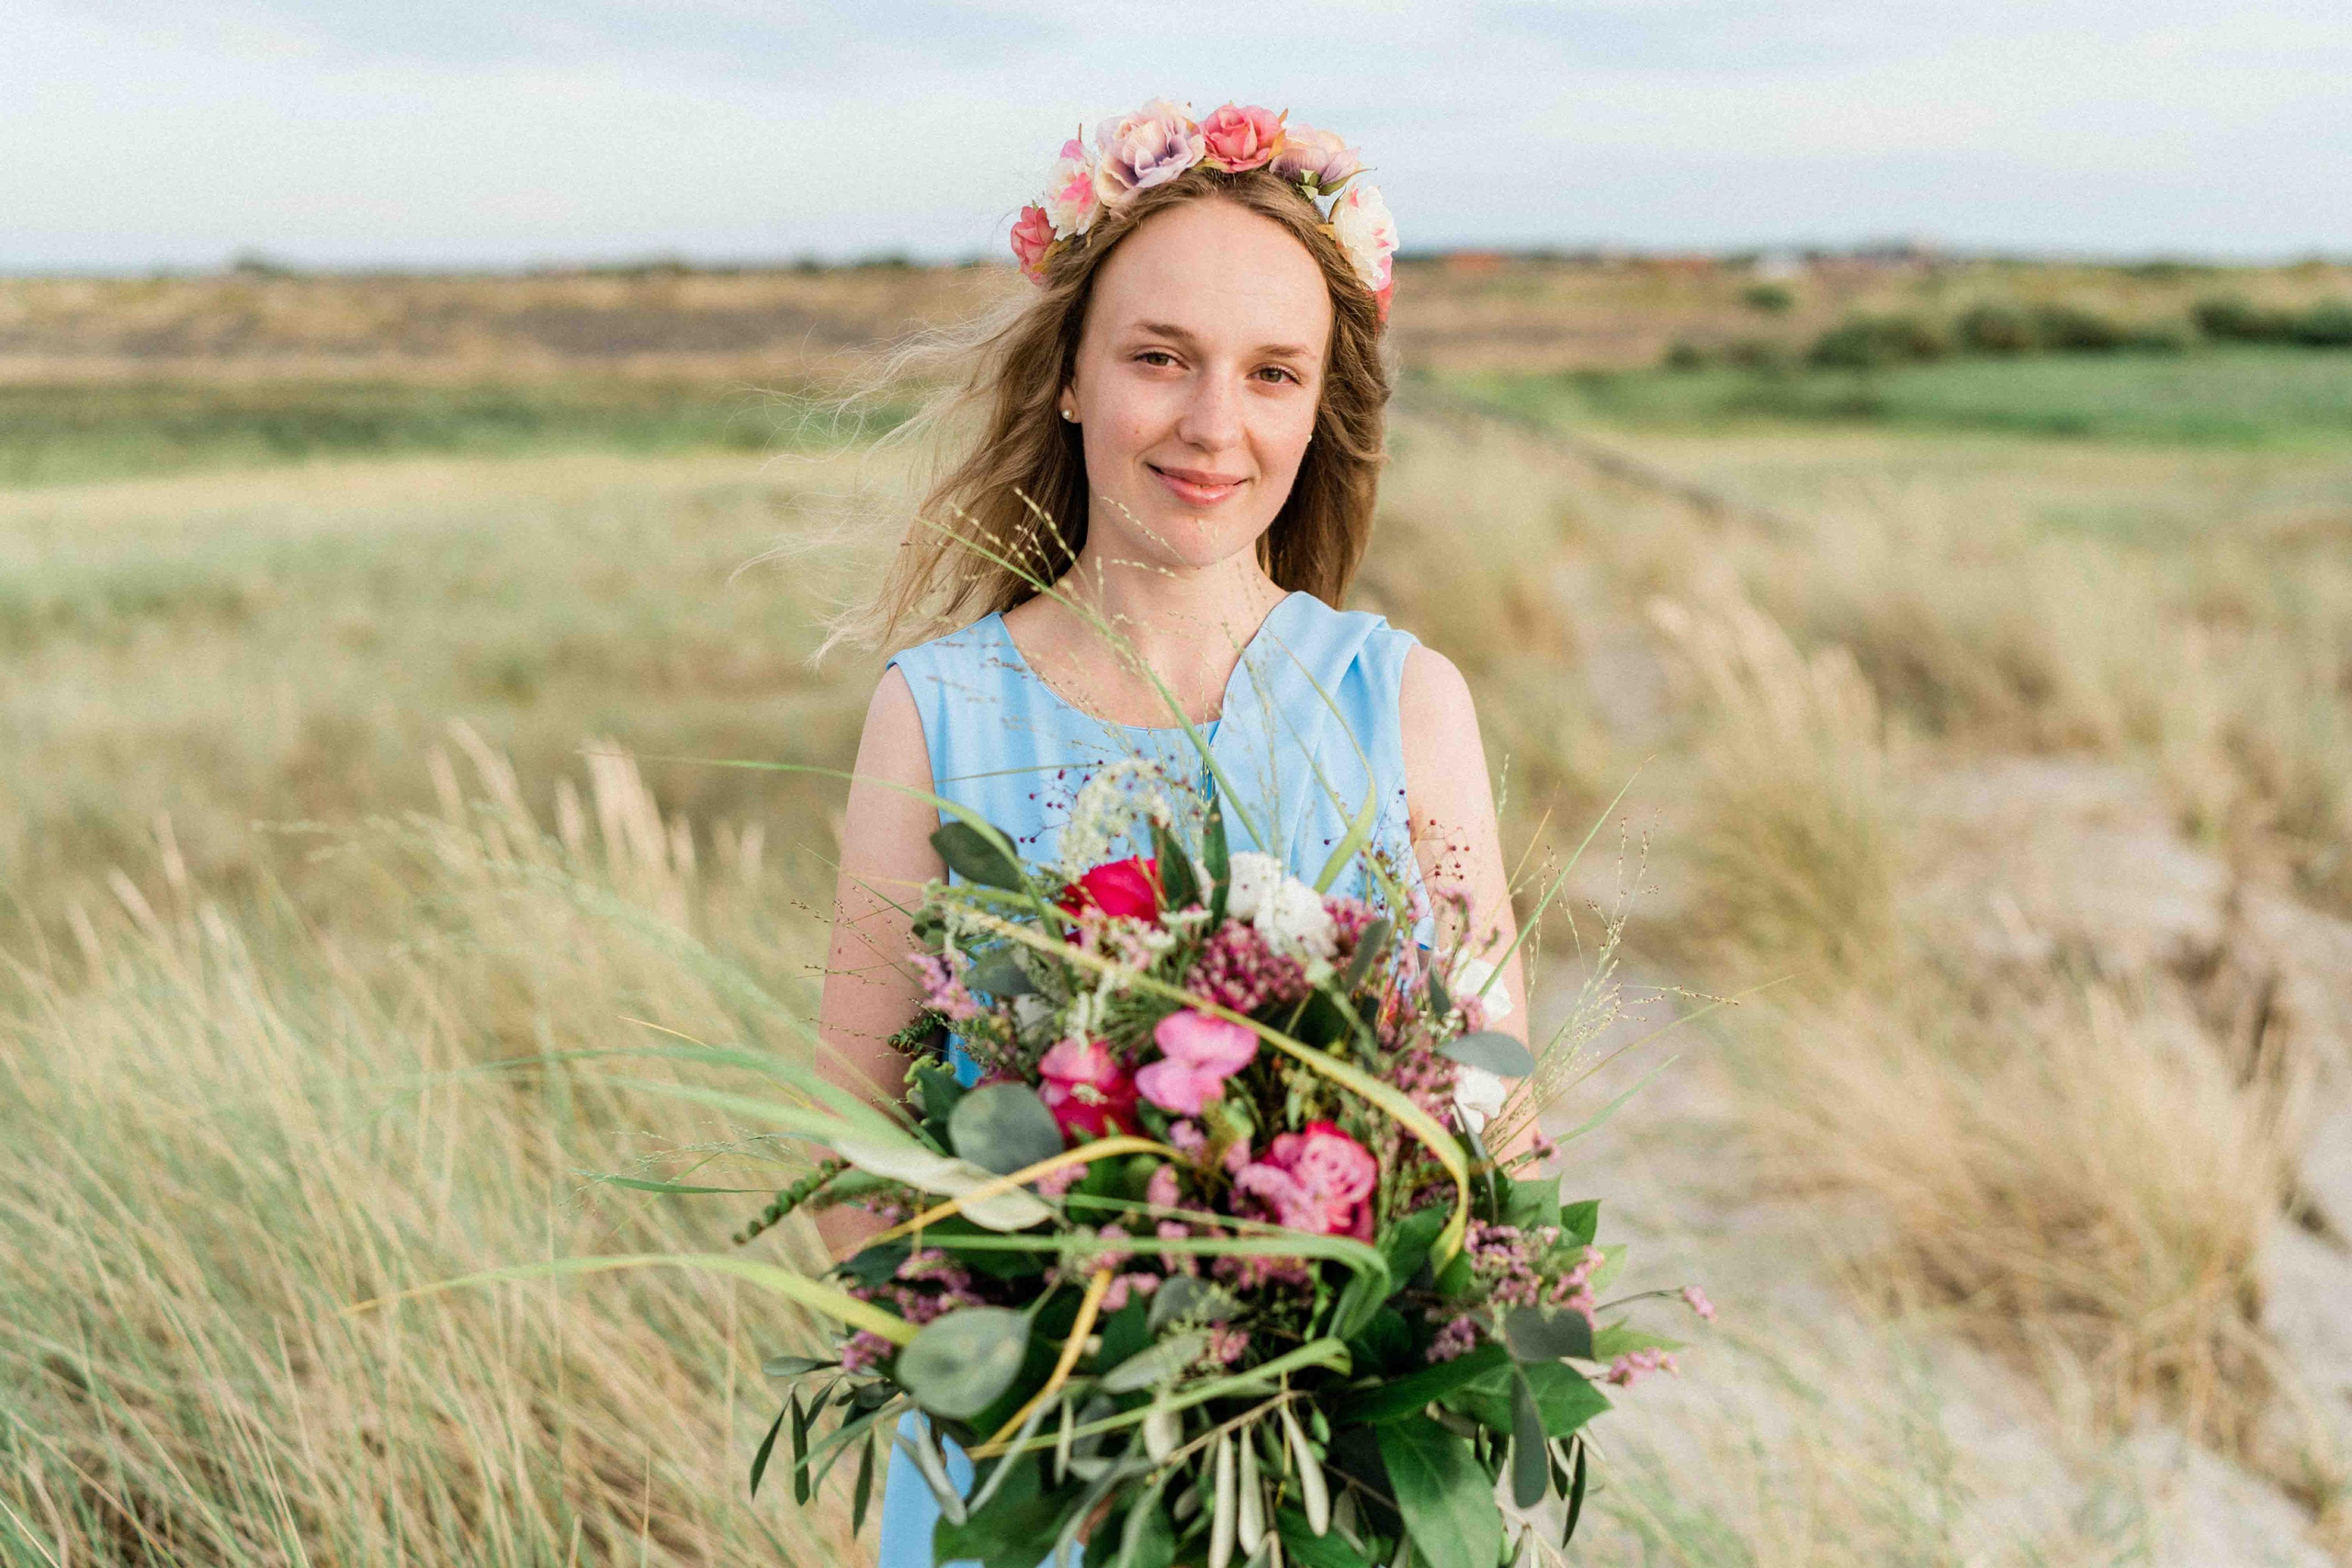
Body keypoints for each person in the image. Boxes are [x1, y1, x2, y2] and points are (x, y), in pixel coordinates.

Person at [809, 98, 1530, 1568]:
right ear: (1072, 377)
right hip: (1023, 1480)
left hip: (1332, 1486)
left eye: (1273, 374)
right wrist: (1044, 1407)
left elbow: (1494, 1121)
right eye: (1159, 359)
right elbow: (855, 1138)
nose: (1216, 426)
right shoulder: (939, 712)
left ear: (1319, 406)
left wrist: (1359, 1386)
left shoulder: (1399, 701)